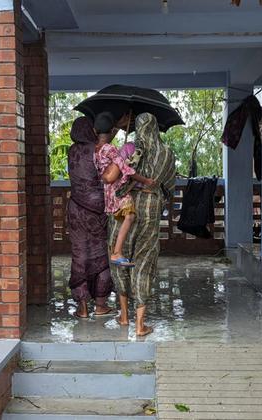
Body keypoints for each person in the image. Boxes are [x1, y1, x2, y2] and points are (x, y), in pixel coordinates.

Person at [108, 113, 176, 337]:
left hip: (126, 206)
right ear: (155, 128)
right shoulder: (167, 154)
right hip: (152, 206)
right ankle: (140, 324)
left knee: (120, 256)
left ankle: (124, 315)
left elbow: (120, 177)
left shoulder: (131, 149)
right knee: (144, 259)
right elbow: (169, 187)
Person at [66, 117, 115, 319]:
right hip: (97, 210)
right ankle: (101, 305)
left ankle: (83, 307)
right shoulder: (98, 149)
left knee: (80, 256)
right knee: (100, 254)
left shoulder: (71, 151)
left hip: (76, 209)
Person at [93, 112, 154, 267]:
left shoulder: (96, 149)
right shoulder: (111, 149)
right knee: (130, 216)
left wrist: (119, 125)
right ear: (112, 129)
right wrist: (146, 180)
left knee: (125, 218)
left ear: (95, 130)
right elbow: (126, 169)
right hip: (118, 189)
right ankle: (117, 253)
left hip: (108, 191)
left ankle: (116, 252)